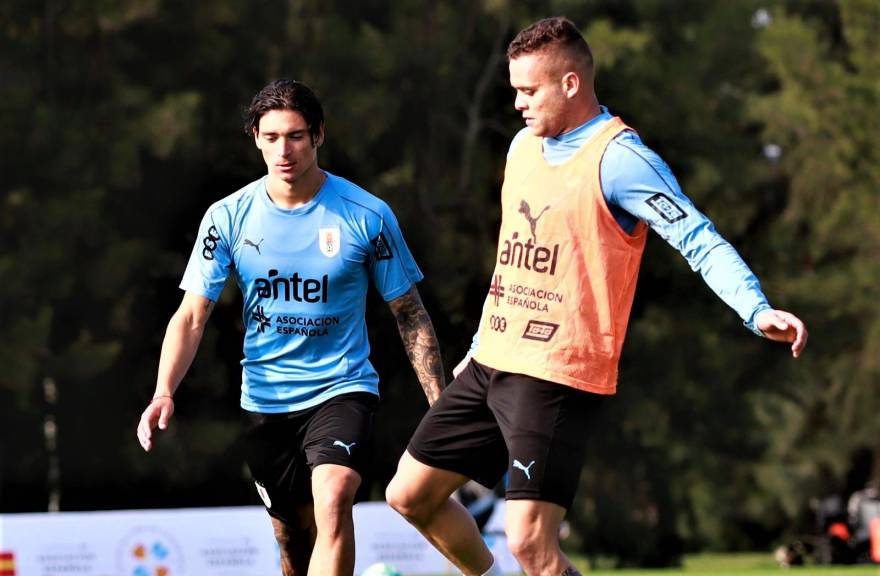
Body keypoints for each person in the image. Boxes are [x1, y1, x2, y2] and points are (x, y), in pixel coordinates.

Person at [385, 17, 808, 576]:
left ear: (570, 84)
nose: (517, 103)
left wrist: (756, 309)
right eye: (514, 90)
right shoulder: (522, 147)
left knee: (531, 545)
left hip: (556, 372)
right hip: (493, 360)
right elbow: (511, 257)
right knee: (409, 495)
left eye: (528, 90)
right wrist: (482, 340)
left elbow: (698, 239)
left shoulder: (621, 159)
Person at [136, 79, 444, 576]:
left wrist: (441, 404)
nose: (284, 150)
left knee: (334, 497)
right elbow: (192, 315)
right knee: (292, 537)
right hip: (266, 401)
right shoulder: (227, 217)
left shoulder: (367, 215)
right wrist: (163, 390)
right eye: (272, 137)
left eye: (296, 136)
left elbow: (410, 314)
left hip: (343, 387)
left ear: (318, 135)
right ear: (255, 139)